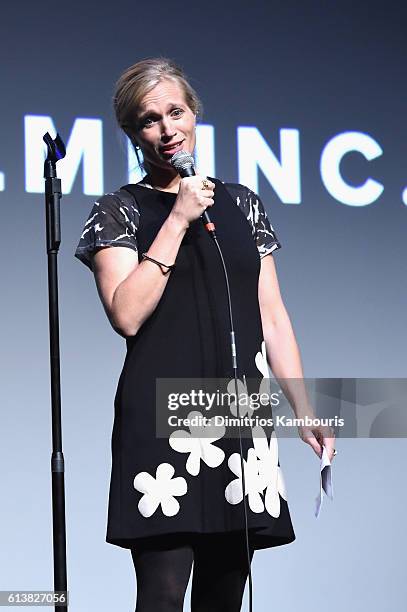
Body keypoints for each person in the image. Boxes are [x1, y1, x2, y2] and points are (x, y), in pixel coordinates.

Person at [74, 57, 336, 612]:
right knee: (163, 597)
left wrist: (304, 408)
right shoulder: (118, 211)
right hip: (163, 421)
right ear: (132, 132)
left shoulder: (241, 204)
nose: (167, 129)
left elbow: (273, 314)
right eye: (150, 120)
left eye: (176, 112)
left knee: (223, 598)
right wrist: (176, 220)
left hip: (236, 418)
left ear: (195, 116)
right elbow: (126, 314)